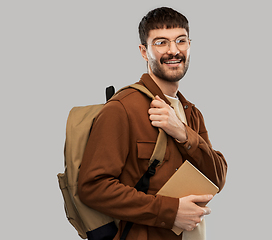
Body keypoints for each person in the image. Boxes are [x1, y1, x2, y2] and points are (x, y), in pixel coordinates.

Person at [78, 7, 227, 240]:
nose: (173, 50)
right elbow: (93, 188)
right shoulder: (123, 108)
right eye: (161, 42)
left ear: (190, 45)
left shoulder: (192, 113)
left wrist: (183, 134)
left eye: (181, 40)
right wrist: (171, 212)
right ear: (144, 51)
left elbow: (217, 179)